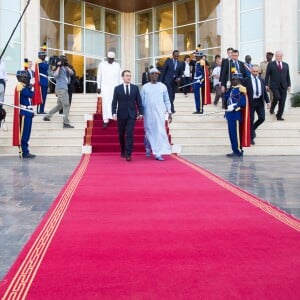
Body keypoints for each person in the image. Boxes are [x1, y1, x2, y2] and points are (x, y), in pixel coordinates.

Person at [141, 67, 172, 161]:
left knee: (159, 131)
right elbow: (141, 101)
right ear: (149, 75)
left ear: (158, 75)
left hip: (160, 113)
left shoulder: (163, 86)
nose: (154, 75)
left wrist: (169, 112)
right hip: (148, 113)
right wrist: (140, 112)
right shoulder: (145, 87)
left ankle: (158, 153)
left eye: (156, 74)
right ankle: (148, 145)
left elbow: (167, 100)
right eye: (152, 74)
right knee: (149, 131)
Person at [112, 70, 143, 161]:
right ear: (122, 77)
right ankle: (122, 150)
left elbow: (139, 101)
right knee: (121, 134)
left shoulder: (135, 88)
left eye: (130, 75)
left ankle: (128, 153)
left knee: (129, 133)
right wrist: (114, 113)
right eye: (127, 76)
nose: (129, 77)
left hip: (132, 115)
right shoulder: (117, 88)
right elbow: (114, 102)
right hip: (121, 115)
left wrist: (141, 112)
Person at [43, 55, 74, 128]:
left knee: (60, 105)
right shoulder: (55, 67)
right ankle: (65, 123)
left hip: (63, 88)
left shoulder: (64, 67)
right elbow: (55, 75)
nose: (63, 61)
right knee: (66, 105)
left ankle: (47, 116)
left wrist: (66, 66)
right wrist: (59, 66)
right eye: (62, 60)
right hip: (61, 89)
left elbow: (72, 73)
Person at [225, 73, 250, 157]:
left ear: (238, 80)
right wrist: (227, 89)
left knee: (236, 134)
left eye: (234, 80)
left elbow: (243, 102)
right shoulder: (232, 89)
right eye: (232, 80)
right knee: (231, 134)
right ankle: (234, 150)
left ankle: (238, 150)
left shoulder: (241, 89)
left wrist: (234, 106)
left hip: (236, 115)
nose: (233, 81)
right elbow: (226, 98)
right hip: (230, 115)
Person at [12, 70, 35, 158]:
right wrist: (32, 87)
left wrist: (31, 110)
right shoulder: (20, 86)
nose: (25, 78)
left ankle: (26, 150)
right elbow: (31, 95)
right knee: (24, 134)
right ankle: (23, 152)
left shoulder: (24, 86)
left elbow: (29, 100)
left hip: (28, 111)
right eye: (24, 77)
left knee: (27, 133)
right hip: (24, 112)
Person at [245, 65, 270, 145]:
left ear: (258, 71)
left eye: (256, 71)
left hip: (259, 101)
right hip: (251, 102)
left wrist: (268, 102)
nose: (255, 73)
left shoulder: (261, 80)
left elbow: (264, 93)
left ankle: (252, 129)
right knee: (251, 120)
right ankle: (251, 138)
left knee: (262, 118)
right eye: (253, 71)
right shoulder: (247, 80)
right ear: (251, 71)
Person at [96, 51, 122, 128]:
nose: (111, 60)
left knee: (115, 102)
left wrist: (120, 87)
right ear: (107, 58)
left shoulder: (117, 65)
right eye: (110, 59)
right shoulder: (102, 64)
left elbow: (120, 77)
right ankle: (105, 120)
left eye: (112, 59)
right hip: (105, 87)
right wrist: (98, 86)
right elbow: (99, 75)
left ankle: (115, 117)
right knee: (105, 103)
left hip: (115, 87)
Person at [265, 50, 291, 121]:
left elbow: (288, 76)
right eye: (278, 56)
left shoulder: (286, 65)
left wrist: (289, 85)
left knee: (282, 101)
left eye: (280, 56)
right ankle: (272, 108)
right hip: (274, 85)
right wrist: (266, 84)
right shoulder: (271, 64)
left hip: (284, 85)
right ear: (275, 56)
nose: (279, 57)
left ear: (282, 56)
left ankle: (279, 115)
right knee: (277, 96)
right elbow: (267, 75)